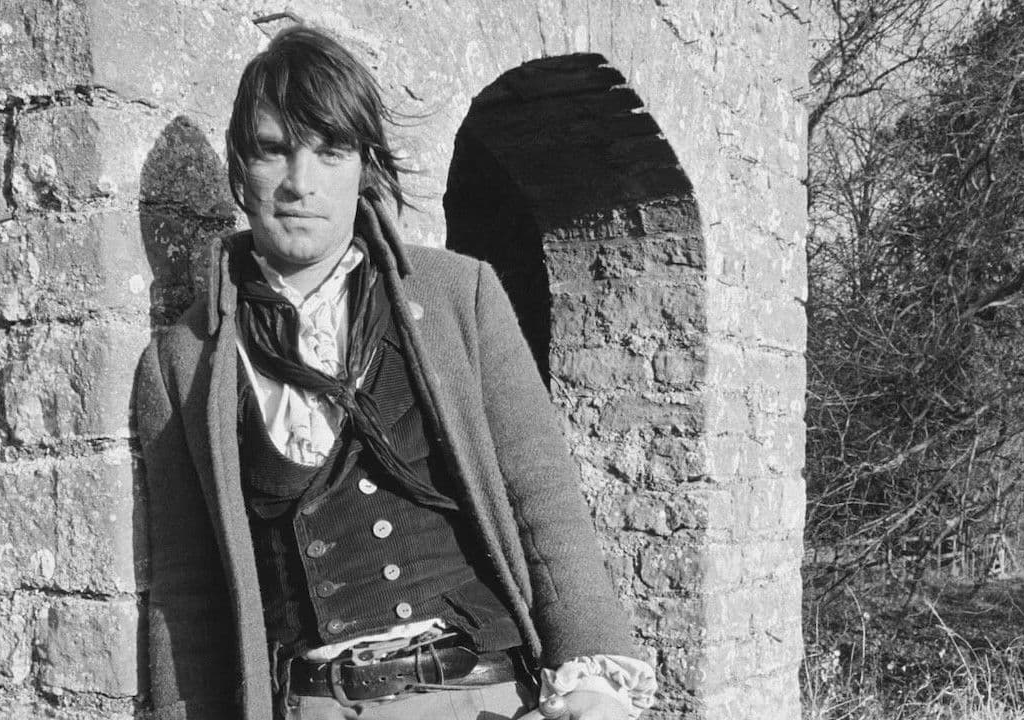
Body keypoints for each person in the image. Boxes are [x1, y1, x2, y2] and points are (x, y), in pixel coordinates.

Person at [136, 25, 657, 720]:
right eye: (273, 149)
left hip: (484, 698)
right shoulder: (183, 361)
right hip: (316, 705)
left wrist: (592, 679)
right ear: (241, 166)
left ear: (364, 165)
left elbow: (544, 500)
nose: (299, 183)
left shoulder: (459, 296)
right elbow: (185, 596)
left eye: (330, 151)